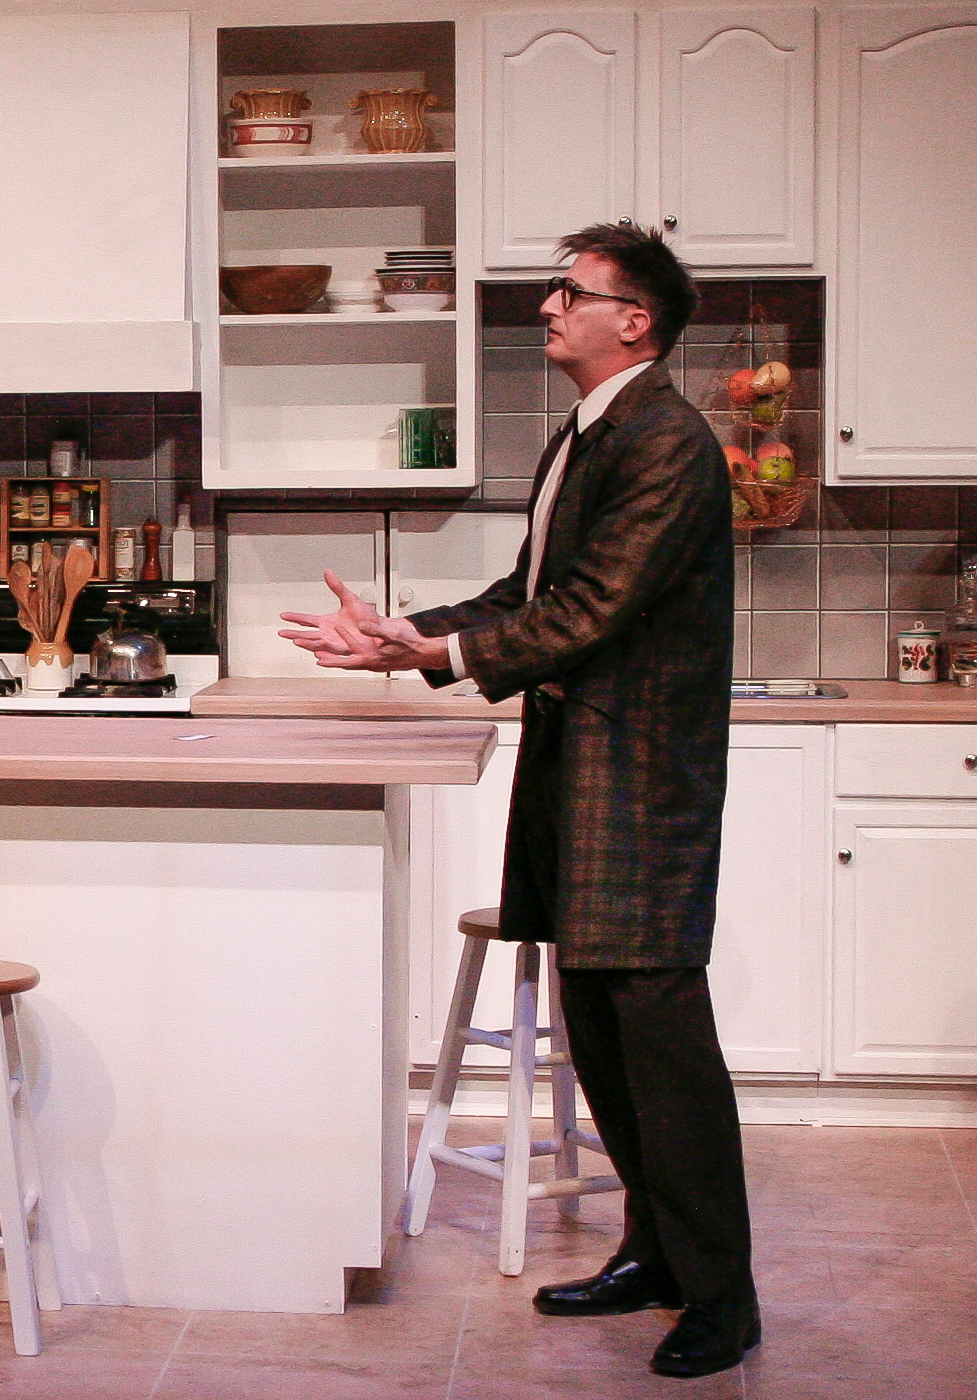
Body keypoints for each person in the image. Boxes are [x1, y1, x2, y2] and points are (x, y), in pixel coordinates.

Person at [280, 222, 756, 1382]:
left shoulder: (667, 440)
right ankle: (656, 1252)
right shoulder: (587, 431)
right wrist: (407, 635)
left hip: (639, 784)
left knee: (661, 1043)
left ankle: (723, 1295)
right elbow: (525, 592)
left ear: (634, 319)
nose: (547, 306)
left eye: (570, 290)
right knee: (605, 1038)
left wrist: (435, 658)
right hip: (579, 772)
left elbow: (592, 608)